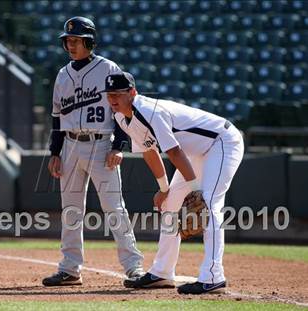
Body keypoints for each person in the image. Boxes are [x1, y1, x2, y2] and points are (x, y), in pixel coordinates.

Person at [102, 72, 244, 294]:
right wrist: (164, 190)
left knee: (208, 203)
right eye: (109, 94)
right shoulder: (121, 117)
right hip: (195, 153)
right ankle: (162, 273)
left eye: (117, 94)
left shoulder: (150, 111)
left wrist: (195, 189)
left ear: (132, 92)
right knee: (169, 204)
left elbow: (174, 151)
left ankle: (213, 275)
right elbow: (149, 152)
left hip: (222, 142)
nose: (112, 99)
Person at [42, 17, 144, 287]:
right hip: (70, 147)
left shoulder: (108, 69)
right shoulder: (62, 75)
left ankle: (134, 267)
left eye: (75, 41)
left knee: (114, 208)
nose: (70, 45)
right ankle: (70, 269)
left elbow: (123, 109)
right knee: (71, 211)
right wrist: (55, 152)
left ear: (89, 41)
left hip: (101, 145)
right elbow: (56, 118)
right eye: (67, 41)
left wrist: (118, 145)